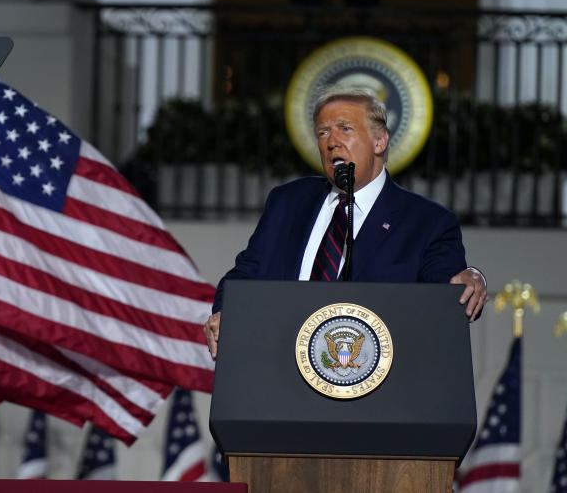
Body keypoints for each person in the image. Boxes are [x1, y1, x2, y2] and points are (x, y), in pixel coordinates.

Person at [203, 85, 487, 359]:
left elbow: (447, 298)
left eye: (345, 129)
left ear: (380, 141)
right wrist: (225, 313)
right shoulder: (287, 203)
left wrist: (471, 278)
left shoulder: (428, 223)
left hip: (377, 390)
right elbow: (244, 276)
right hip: (281, 372)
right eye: (323, 132)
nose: (331, 141)